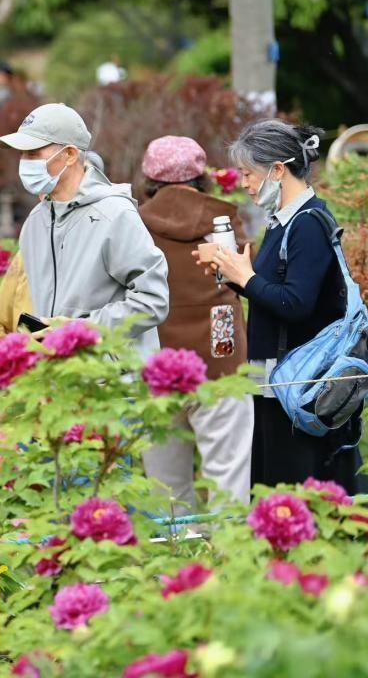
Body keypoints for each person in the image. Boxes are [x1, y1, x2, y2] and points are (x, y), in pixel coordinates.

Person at [206, 119, 368, 493]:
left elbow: (295, 303)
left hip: (300, 386)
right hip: (278, 381)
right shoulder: (282, 222)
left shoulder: (307, 224)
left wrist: (246, 277)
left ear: (278, 170)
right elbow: (274, 295)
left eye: (249, 173)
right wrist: (234, 275)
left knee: (298, 491)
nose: (244, 183)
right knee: (276, 488)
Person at [0, 103, 169, 357]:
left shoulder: (114, 215)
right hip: (59, 376)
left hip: (113, 378)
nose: (24, 163)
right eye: (22, 154)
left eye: (33, 153)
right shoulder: (35, 223)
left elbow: (153, 300)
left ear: (70, 154)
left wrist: (81, 331)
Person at [137, 135, 254, 510]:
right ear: (200, 176)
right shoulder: (223, 219)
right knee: (229, 477)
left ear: (150, 178)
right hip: (221, 360)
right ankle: (230, 547)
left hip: (157, 366)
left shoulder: (134, 224)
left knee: (166, 489)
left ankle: (175, 548)